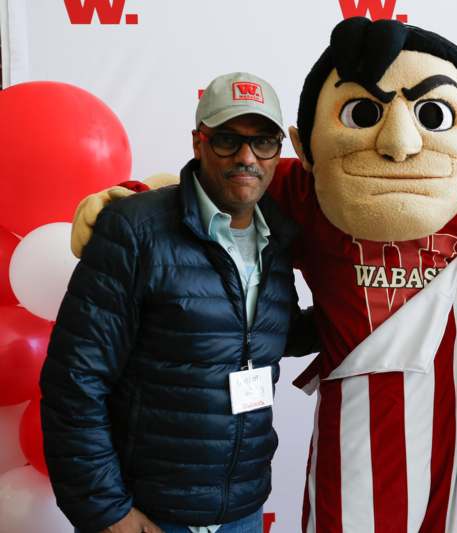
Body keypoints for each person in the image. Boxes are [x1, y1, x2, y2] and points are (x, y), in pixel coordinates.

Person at [67, 19, 457, 532]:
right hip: (351, 444)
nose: (397, 142)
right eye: (365, 115)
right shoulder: (309, 189)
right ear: (307, 142)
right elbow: (211, 184)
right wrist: (127, 195)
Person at [41, 72, 317, 533]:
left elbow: (272, 336)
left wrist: (366, 314)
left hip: (241, 513)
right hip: (148, 514)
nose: (247, 157)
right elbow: (75, 382)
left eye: (263, 142)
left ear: (278, 151)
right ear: (198, 142)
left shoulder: (277, 236)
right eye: (228, 139)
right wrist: (108, 513)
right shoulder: (134, 229)